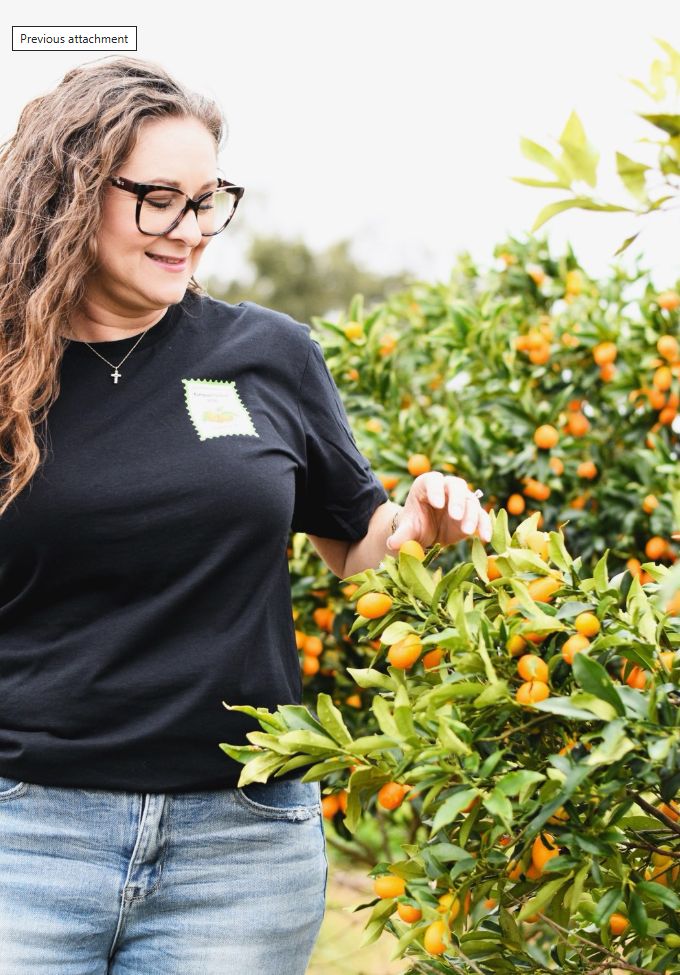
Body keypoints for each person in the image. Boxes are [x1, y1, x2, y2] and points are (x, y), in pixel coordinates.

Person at [0, 55, 492, 974]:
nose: (189, 230)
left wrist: (419, 526)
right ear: (68, 195)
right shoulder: (6, 368)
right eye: (159, 200)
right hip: (24, 832)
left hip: (240, 846)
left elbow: (359, 540)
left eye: (207, 201)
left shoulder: (266, 352)